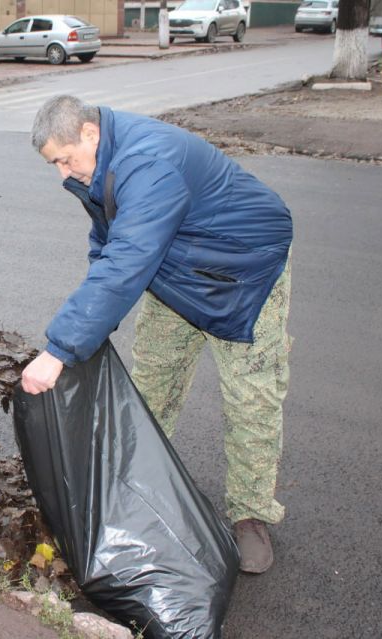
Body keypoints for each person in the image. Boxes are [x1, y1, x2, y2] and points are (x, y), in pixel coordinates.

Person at [21, 95, 293, 574]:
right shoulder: (98, 165)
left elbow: (128, 260)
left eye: (64, 159)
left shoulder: (147, 164)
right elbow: (109, 246)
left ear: (89, 133)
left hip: (243, 274)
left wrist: (60, 349)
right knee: (151, 384)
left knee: (251, 400)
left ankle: (250, 514)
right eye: (54, 164)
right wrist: (94, 323)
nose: (62, 173)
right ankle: (133, 489)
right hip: (175, 271)